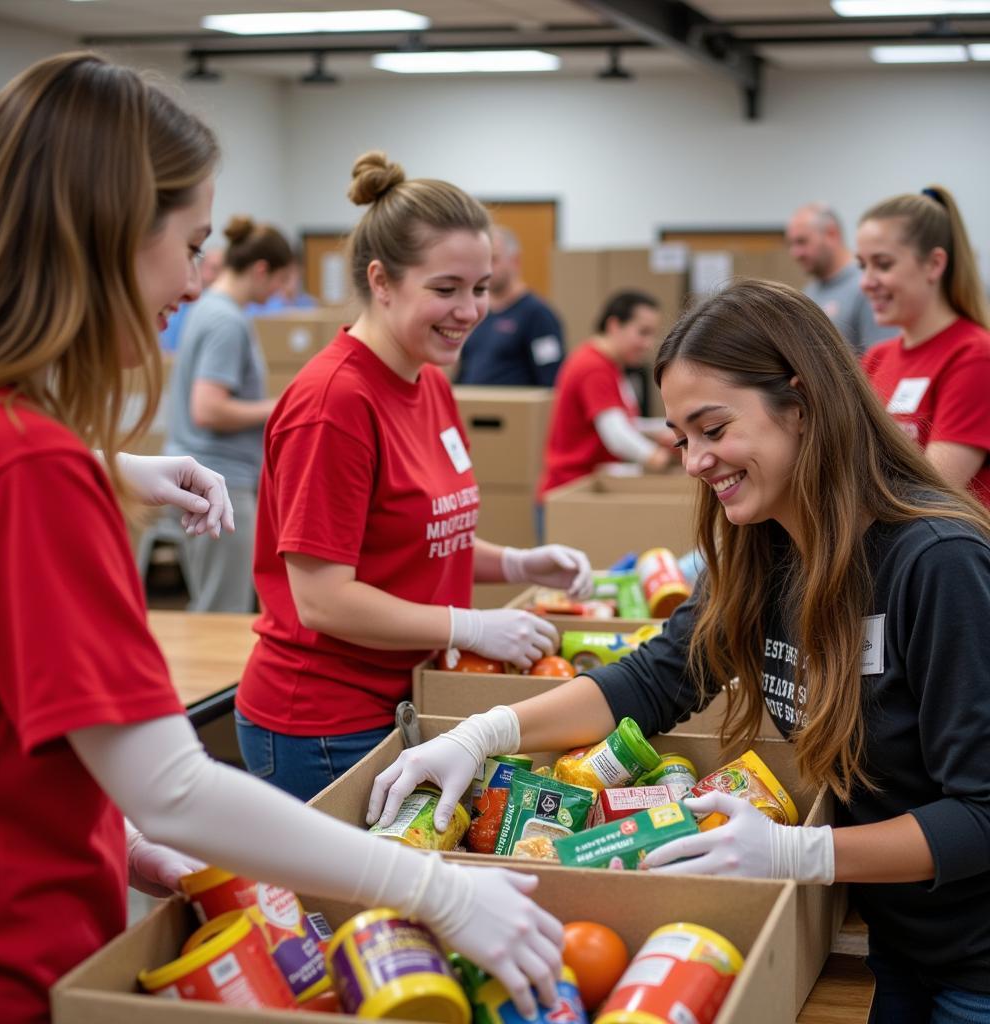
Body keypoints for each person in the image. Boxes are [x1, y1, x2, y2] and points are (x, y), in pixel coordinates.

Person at [0, 54, 564, 1024]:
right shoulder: (30, 466)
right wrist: (439, 889)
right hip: (10, 960)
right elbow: (172, 782)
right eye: (192, 242)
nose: (201, 279)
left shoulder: (14, 442)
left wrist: (110, 833)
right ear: (112, 234)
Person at [371, 279, 990, 1024]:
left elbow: (982, 811)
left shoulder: (937, 562)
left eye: (714, 428)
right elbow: (655, 679)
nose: (695, 460)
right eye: (681, 438)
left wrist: (806, 854)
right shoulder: (768, 549)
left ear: (801, 403)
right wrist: (486, 732)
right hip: (905, 943)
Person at [235, 151, 593, 802]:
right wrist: (469, 626)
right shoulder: (334, 403)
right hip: (322, 723)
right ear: (382, 280)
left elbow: (425, 536)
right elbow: (322, 598)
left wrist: (517, 563)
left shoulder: (429, 381)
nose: (470, 310)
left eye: (481, 287)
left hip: (400, 698)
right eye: (446, 289)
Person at [164, 215, 291, 611]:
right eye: (278, 280)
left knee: (213, 603)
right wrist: (280, 406)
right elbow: (208, 409)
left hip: (205, 477)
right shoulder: (226, 321)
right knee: (223, 609)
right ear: (260, 270)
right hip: (218, 479)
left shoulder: (210, 310)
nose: (280, 292)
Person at [857, 185, 990, 510]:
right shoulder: (877, 358)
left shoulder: (975, 356)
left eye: (883, 264)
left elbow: (932, 492)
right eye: (863, 266)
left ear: (934, 264)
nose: (866, 281)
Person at [537, 290, 674, 509]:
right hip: (572, 493)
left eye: (652, 334)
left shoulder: (609, 365)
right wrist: (654, 457)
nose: (648, 344)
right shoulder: (594, 368)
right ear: (614, 325)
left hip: (580, 491)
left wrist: (663, 429)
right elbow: (616, 433)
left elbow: (620, 422)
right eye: (643, 332)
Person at [455, 225, 565, 386]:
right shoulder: (476, 312)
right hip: (471, 409)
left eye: (494, 259)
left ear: (515, 261)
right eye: (482, 261)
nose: (487, 269)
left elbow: (551, 380)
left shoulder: (538, 315)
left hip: (514, 410)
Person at [786, 202, 895, 355]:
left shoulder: (867, 287)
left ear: (831, 234)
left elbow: (883, 362)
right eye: (791, 244)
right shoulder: (809, 292)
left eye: (802, 242)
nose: (796, 253)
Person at [159, 245, 223, 352]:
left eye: (216, 270)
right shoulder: (175, 307)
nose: (207, 274)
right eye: (212, 268)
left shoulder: (222, 311)